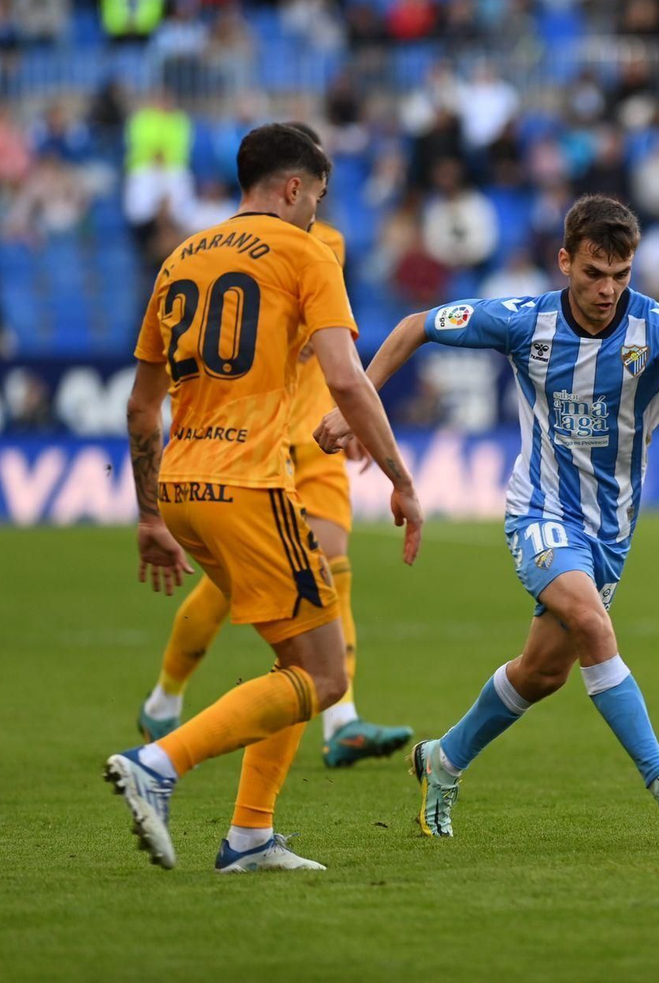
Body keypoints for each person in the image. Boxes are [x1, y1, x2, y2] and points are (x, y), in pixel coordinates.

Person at [315, 195, 659, 836]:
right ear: (564, 262)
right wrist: (356, 402)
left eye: (621, 274)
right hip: (541, 509)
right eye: (593, 273)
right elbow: (417, 324)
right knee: (591, 621)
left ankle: (442, 760)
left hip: (612, 529)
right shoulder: (523, 321)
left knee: (542, 672)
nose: (608, 289)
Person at [103, 124, 423, 872]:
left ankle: (249, 834)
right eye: (316, 195)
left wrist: (150, 512)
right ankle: (159, 762)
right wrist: (400, 478)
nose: (317, 210)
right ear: (292, 187)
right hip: (251, 482)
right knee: (326, 675)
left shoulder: (180, 257)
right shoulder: (305, 250)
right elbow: (347, 378)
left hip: (182, 485)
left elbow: (140, 405)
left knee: (292, 663)